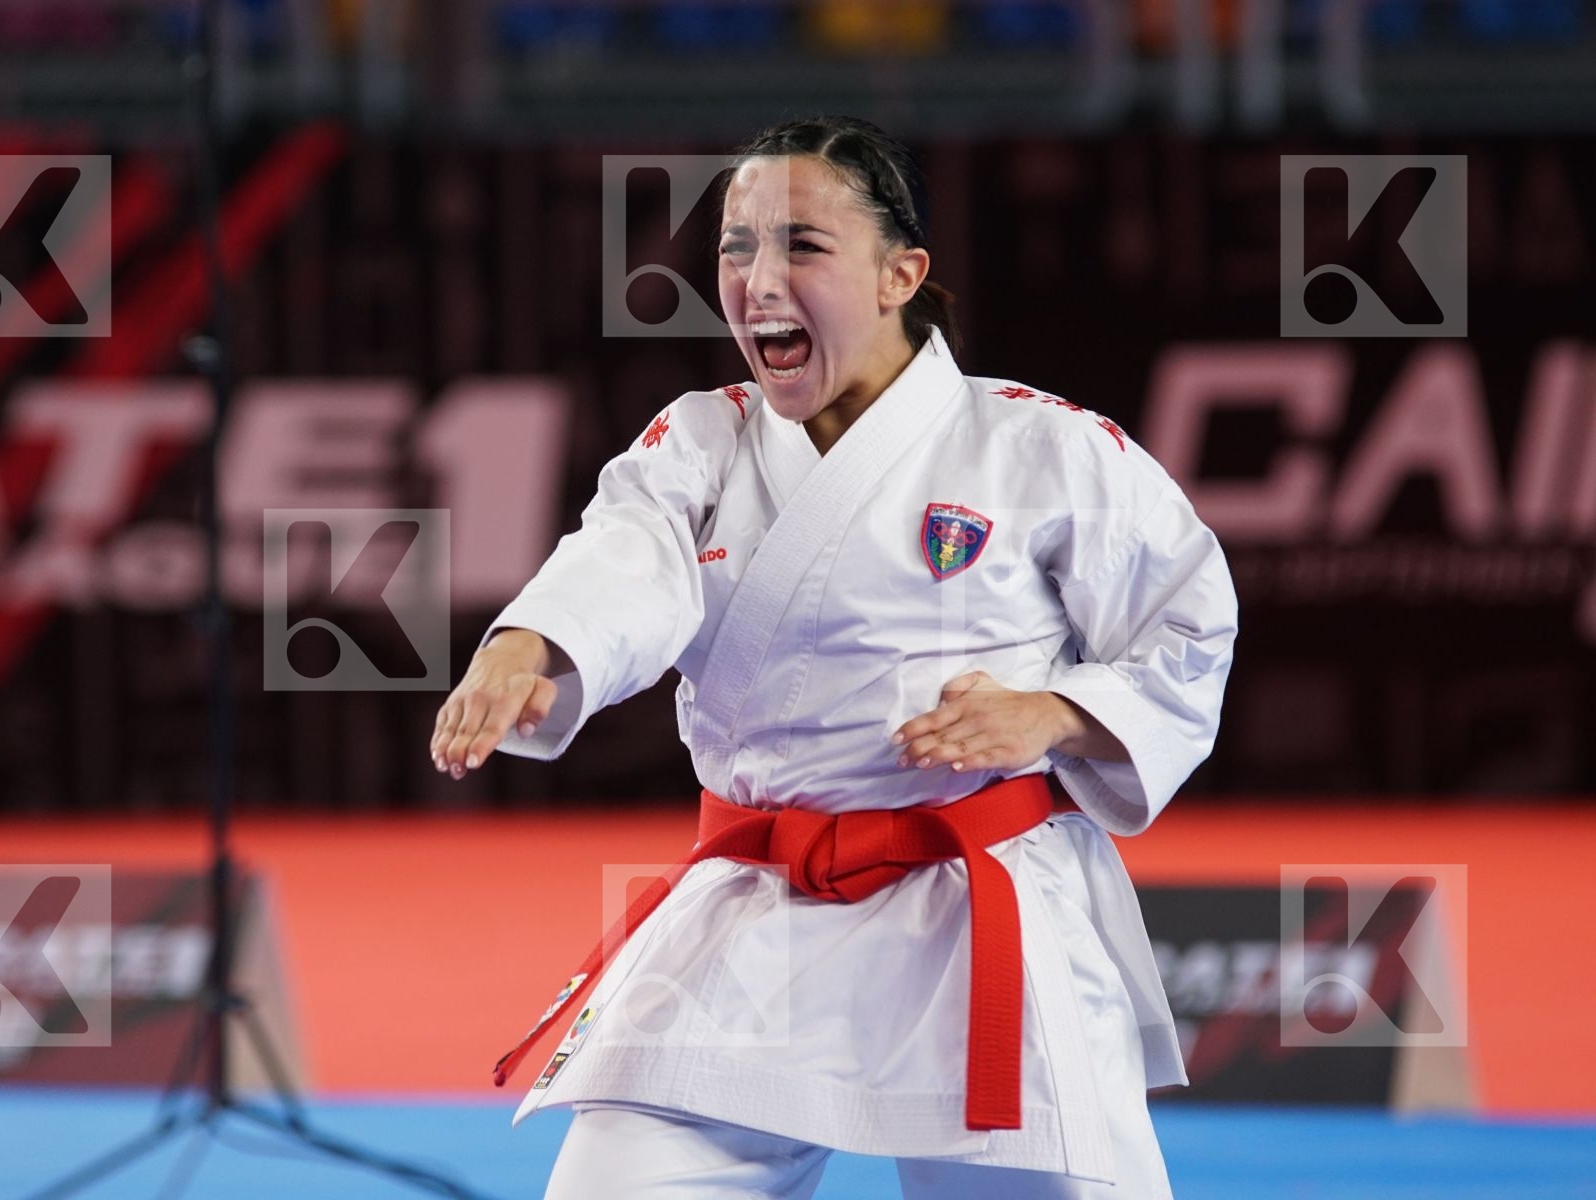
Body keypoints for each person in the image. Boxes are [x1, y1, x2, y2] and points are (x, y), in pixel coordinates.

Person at [429, 115, 1238, 1199]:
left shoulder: (1041, 449)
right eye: (736, 245)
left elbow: (1189, 626)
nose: (759, 279)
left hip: (977, 907)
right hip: (758, 908)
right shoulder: (702, 441)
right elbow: (625, 559)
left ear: (903, 272)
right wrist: (530, 645)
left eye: (803, 245)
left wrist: (1056, 714)